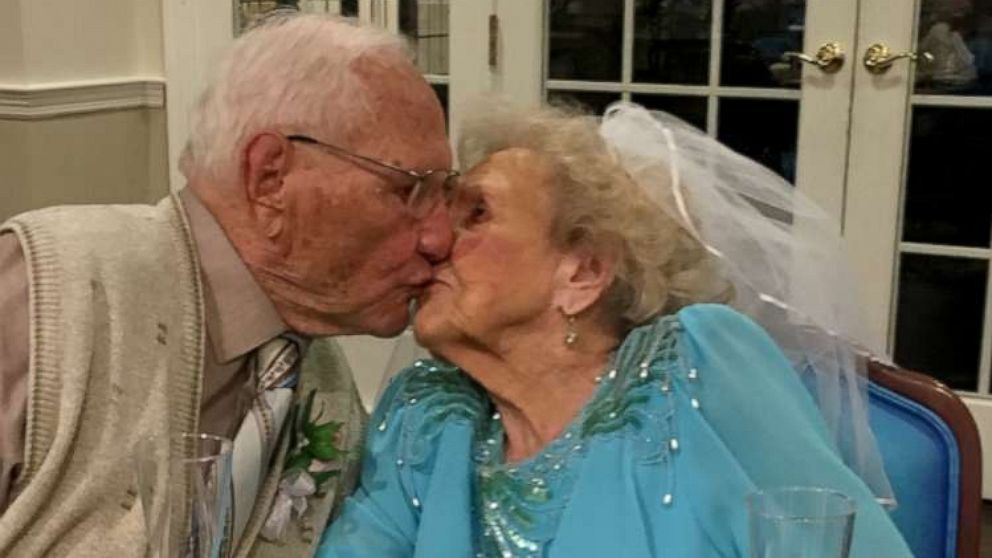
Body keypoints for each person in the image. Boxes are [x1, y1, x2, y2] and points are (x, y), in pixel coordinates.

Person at [317, 102, 913, 557]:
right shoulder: (428, 415)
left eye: (476, 213)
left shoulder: (695, 365)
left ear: (584, 271)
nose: (437, 241)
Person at [0, 14, 454, 557]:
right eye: (410, 190)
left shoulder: (324, 387)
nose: (439, 237)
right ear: (270, 179)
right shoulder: (47, 293)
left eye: (445, 194)